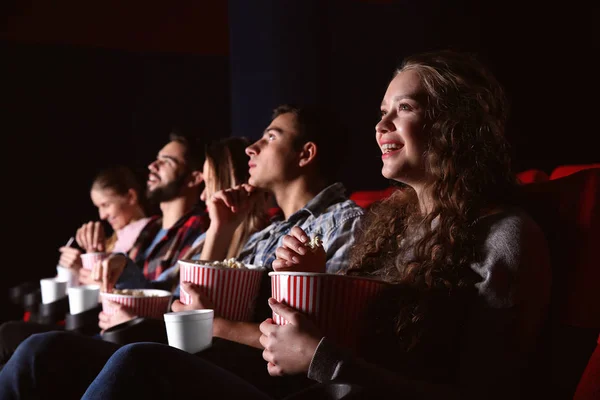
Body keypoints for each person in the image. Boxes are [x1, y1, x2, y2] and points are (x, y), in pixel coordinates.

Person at [70, 50, 549, 399]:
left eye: (404, 109)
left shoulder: (504, 235)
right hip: (308, 385)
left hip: (328, 387)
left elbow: (490, 391)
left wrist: (319, 354)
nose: (381, 127)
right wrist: (316, 291)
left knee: (140, 363)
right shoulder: (390, 221)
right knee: (46, 350)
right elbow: (345, 337)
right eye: (381, 113)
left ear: (456, 123)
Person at [0, 104, 365, 399]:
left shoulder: (340, 222)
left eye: (270, 137)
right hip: (208, 350)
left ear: (306, 154)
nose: (252, 147)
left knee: (118, 358)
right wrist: (220, 228)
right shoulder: (268, 231)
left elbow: (321, 339)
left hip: (254, 367)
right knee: (38, 349)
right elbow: (195, 295)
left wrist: (207, 321)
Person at [0, 131, 209, 367]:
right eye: (156, 158)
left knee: (17, 339)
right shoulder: (150, 229)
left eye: (167, 161)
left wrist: (110, 276)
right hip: (105, 328)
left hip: (131, 343)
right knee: (12, 335)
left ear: (194, 178)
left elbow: (165, 299)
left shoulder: (200, 231)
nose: (152, 165)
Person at [95, 136, 268, 330]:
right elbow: (164, 292)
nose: (204, 197)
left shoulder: (206, 230)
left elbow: (183, 305)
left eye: (208, 185)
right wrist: (122, 266)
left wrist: (140, 324)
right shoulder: (154, 229)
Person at [57, 165, 151, 286]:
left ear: (131, 197)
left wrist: (81, 269)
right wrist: (85, 260)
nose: (102, 216)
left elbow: (135, 285)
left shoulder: (152, 232)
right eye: (98, 208)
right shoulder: (114, 240)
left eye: (106, 205)